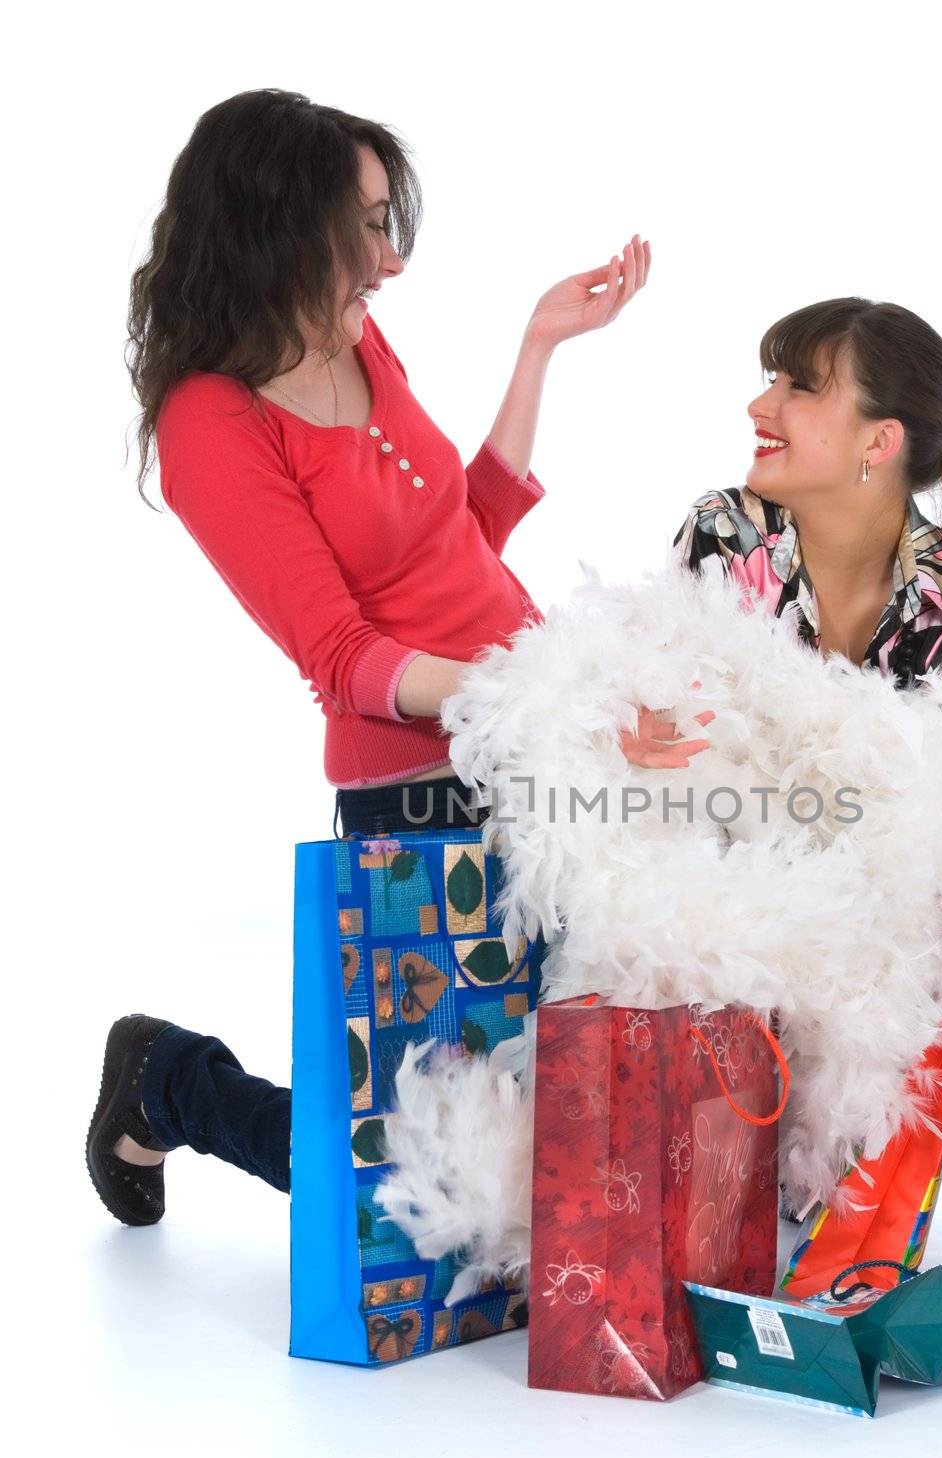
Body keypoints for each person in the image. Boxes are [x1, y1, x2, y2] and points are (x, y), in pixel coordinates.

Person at [88, 87, 652, 1225]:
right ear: (276, 222)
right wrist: (537, 699)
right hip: (419, 794)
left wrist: (538, 344)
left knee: (545, 1130)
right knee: (410, 1183)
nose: (388, 261)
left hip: (539, 754)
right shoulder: (212, 420)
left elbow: (461, 528)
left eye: (392, 221)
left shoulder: (359, 333)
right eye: (366, 225)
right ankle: (166, 1081)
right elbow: (343, 655)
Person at [617, 296, 942, 770]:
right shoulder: (726, 535)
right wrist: (633, 733)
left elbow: (921, 807)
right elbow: (679, 734)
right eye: (771, 381)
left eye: (799, 386)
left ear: (879, 441)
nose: (758, 406)